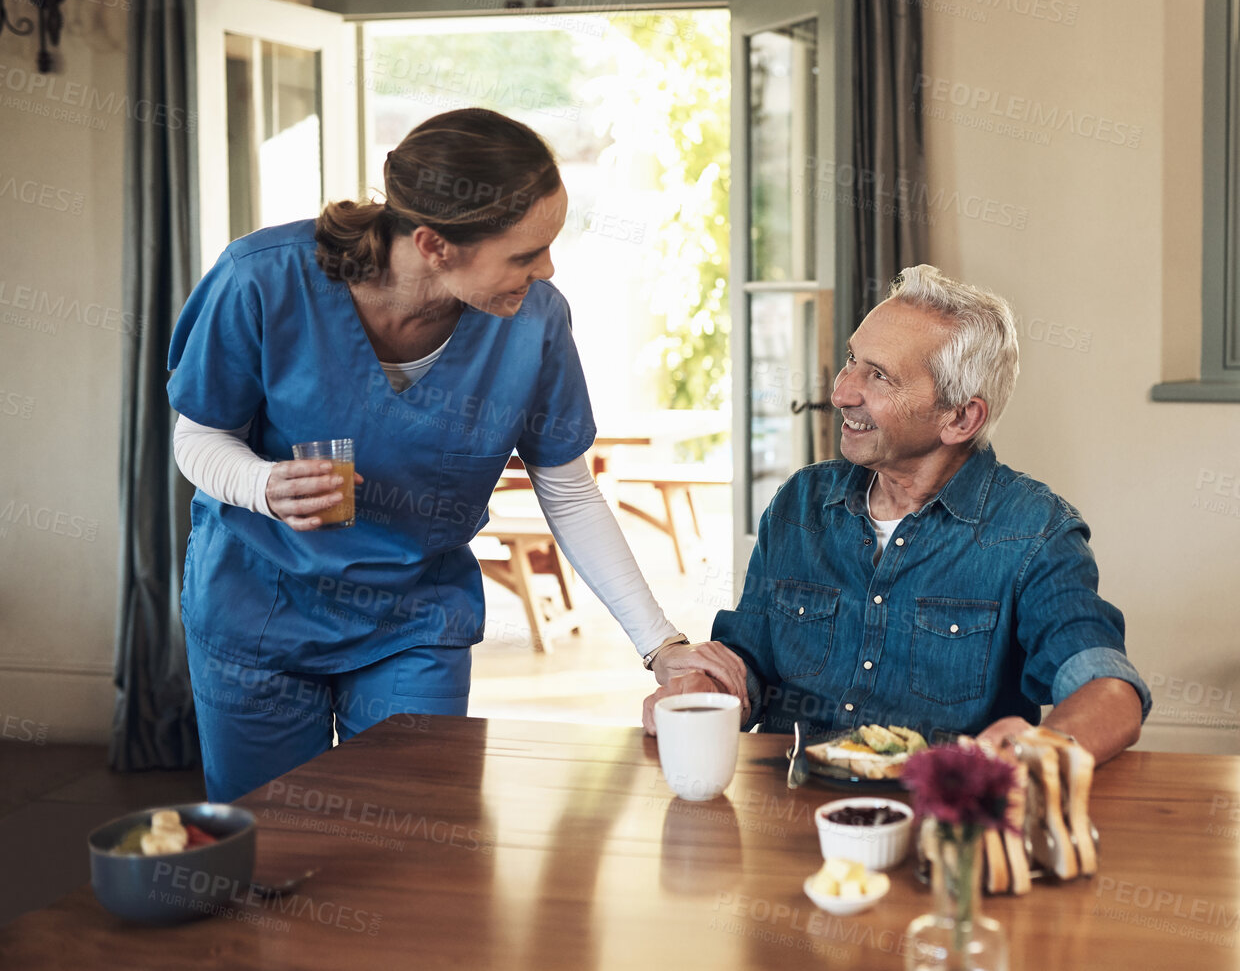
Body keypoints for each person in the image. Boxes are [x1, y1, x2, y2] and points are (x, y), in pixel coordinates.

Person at [168, 108, 745, 802]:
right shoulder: (260, 280)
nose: (548, 268)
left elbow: (566, 488)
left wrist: (662, 643)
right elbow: (196, 433)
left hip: (412, 617)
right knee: (268, 851)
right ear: (435, 245)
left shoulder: (534, 320)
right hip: (258, 603)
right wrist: (261, 484)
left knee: (412, 843)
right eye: (525, 254)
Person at [643, 265, 1150, 764]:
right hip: (787, 804)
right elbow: (746, 661)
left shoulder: (1036, 532)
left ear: (959, 417)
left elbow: (1108, 691)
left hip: (935, 819)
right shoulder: (800, 503)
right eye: (851, 360)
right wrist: (698, 688)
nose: (841, 392)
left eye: (879, 376)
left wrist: (1033, 751)